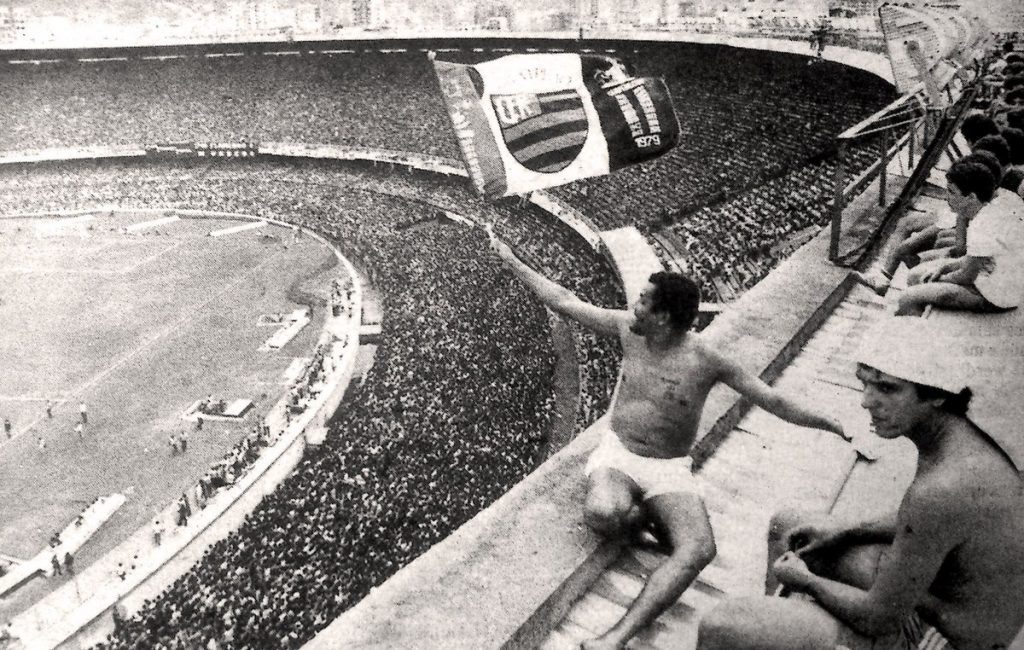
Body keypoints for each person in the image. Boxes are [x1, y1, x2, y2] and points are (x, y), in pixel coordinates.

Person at [488, 226, 847, 649]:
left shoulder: (705, 359)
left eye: (643, 301)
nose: (633, 305)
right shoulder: (627, 330)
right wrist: (511, 260)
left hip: (669, 468)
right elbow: (565, 301)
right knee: (603, 512)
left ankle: (616, 636)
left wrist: (833, 424)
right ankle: (646, 519)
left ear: (663, 317)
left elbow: (772, 399)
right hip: (617, 456)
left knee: (699, 550)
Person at [696, 317, 1024, 650]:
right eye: (865, 383)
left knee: (721, 626)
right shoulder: (965, 442)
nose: (867, 401)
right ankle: (776, 632)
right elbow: (927, 524)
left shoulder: (941, 487)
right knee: (790, 527)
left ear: (937, 396)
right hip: (943, 603)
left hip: (946, 639)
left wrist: (805, 582)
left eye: (887, 388)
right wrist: (846, 530)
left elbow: (878, 618)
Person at [898, 158, 1024, 315]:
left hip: (995, 295)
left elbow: (966, 276)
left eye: (951, 192)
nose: (946, 197)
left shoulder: (982, 224)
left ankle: (915, 329)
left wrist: (938, 279)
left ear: (971, 198)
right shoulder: (986, 212)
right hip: (993, 278)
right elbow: (973, 260)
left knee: (907, 298)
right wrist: (945, 267)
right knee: (915, 275)